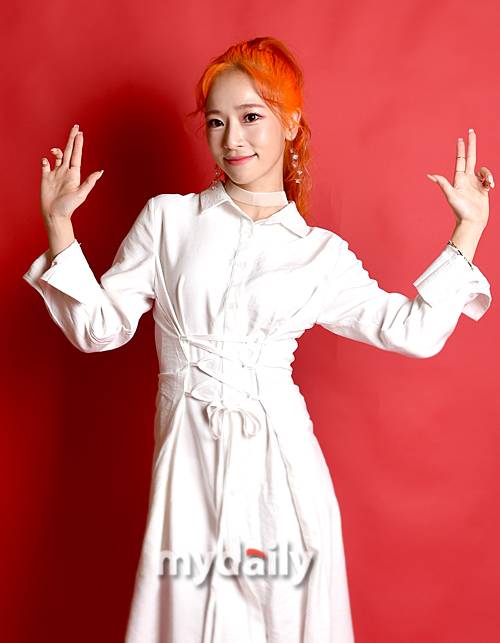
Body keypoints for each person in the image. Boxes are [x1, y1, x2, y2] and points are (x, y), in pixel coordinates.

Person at [22, 36, 493, 643]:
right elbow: (98, 329)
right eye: (217, 121)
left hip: (283, 477)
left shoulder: (319, 254)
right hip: (188, 471)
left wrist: (467, 231)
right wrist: (60, 225)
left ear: (290, 124)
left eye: (251, 117)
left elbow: (414, 331)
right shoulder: (168, 220)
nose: (232, 138)